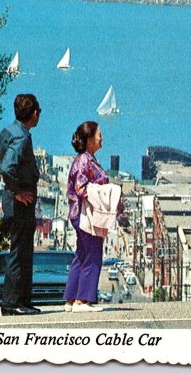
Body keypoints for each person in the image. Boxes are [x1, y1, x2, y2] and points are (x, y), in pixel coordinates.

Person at [0, 94, 42, 316]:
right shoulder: (21, 138)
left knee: (22, 250)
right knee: (20, 251)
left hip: (13, 201)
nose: (39, 114)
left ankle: (21, 301)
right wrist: (17, 192)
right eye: (39, 111)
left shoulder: (9, 131)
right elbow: (7, 167)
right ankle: (13, 302)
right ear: (34, 114)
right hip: (20, 203)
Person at [64, 121, 112, 312]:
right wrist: (103, 192)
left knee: (82, 254)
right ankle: (82, 300)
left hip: (79, 214)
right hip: (87, 214)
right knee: (93, 254)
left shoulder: (85, 159)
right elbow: (81, 188)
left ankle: (71, 298)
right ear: (89, 139)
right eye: (99, 134)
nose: (102, 137)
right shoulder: (85, 160)